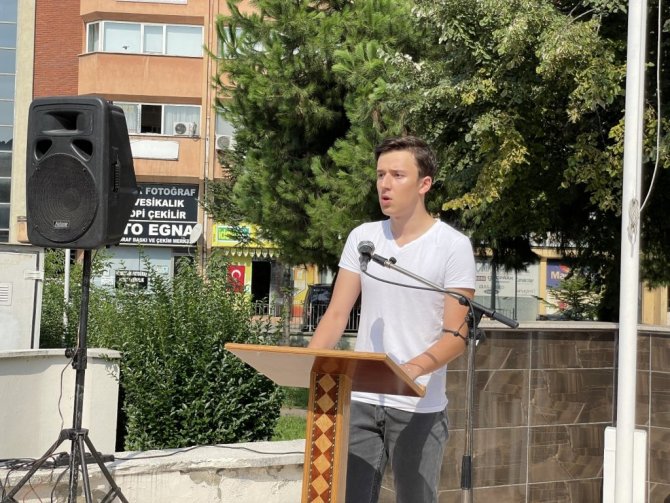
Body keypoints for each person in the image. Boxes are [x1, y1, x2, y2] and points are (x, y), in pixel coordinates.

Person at [307, 135, 476, 503]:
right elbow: (336, 314)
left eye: (397, 175)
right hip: (361, 398)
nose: (385, 184)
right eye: (380, 174)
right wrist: (308, 366)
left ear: (424, 184)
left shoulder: (452, 246)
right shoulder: (363, 238)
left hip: (418, 404)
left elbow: (456, 336)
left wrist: (410, 370)